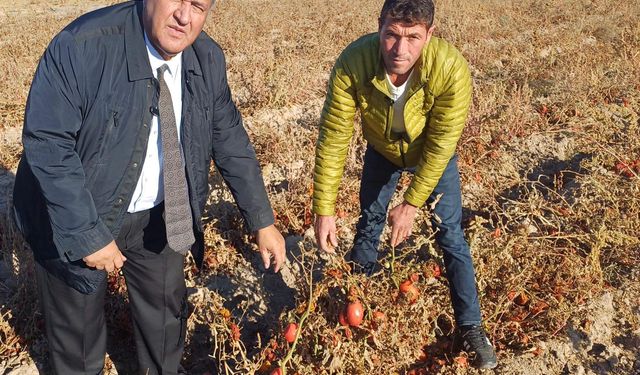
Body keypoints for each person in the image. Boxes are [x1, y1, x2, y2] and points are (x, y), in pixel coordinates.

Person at [12, 0, 286, 374]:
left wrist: (261, 219)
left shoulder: (206, 59)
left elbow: (230, 138)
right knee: (79, 349)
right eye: (177, 0)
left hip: (158, 214)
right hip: (74, 216)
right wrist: (87, 233)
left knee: (164, 325)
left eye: (199, 6)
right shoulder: (81, 47)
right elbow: (48, 143)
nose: (185, 17)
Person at [312, 0, 497, 369]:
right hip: (382, 150)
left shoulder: (449, 69)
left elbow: (443, 142)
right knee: (369, 224)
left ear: (430, 34)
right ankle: (358, 307)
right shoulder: (355, 62)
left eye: (412, 37)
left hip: (431, 154)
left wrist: (411, 204)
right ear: (378, 27)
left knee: (450, 235)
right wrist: (324, 208)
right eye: (392, 35)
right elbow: (334, 136)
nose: (400, 49)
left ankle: (471, 327)